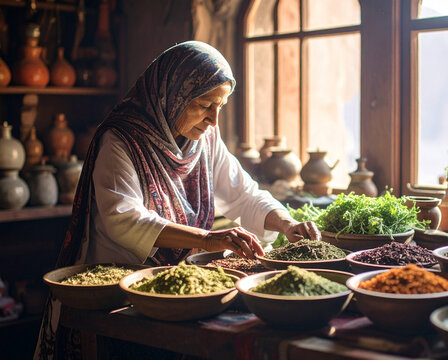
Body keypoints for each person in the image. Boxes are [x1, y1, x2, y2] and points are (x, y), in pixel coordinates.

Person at [35, 41, 320, 359]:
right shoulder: (121, 140)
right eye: (203, 105)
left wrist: (287, 223)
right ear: (170, 96)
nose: (214, 120)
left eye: (220, 106)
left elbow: (244, 193)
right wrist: (209, 239)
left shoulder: (204, 140)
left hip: (170, 289)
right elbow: (124, 219)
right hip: (117, 292)